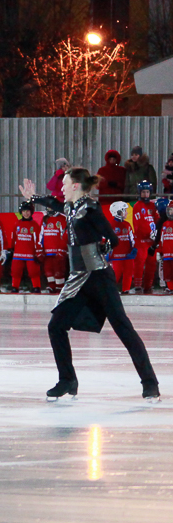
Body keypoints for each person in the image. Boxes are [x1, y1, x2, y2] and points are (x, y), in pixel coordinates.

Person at [20, 171, 160, 402]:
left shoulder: (91, 209)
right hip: (77, 278)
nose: (61, 188)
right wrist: (33, 197)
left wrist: (103, 248)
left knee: (123, 328)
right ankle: (68, 380)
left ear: (75, 185)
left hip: (98, 277)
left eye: (64, 184)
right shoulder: (71, 207)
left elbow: (112, 238)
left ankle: (150, 383)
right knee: (56, 326)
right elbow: (53, 203)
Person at [131, 181, 160, 293]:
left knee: (151, 263)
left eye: (147, 192)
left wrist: (155, 234)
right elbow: (137, 224)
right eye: (143, 192)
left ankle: (148, 286)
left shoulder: (153, 205)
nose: (146, 194)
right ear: (139, 193)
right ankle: (138, 285)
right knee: (140, 262)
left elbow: (157, 220)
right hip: (141, 240)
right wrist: (147, 233)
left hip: (152, 241)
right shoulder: (137, 206)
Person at [9, 201, 42, 293]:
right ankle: (15, 287)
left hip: (30, 253)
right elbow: (14, 237)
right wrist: (11, 249)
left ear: (31, 212)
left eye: (28, 211)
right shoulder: (17, 224)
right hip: (18, 253)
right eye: (24, 211)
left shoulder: (34, 225)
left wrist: (38, 252)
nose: (26, 213)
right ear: (21, 212)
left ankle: (37, 286)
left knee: (33, 271)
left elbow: (37, 240)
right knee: (15, 270)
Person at [106, 201, 137, 293]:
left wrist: (134, 249)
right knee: (115, 274)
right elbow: (107, 240)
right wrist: (107, 253)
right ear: (118, 212)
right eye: (125, 210)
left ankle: (126, 290)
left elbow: (132, 239)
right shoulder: (110, 225)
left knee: (128, 273)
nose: (127, 213)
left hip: (128, 256)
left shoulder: (127, 225)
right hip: (116, 257)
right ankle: (109, 291)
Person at [38, 201, 69, 294]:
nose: (50, 209)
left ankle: (60, 287)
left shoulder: (62, 219)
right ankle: (51, 286)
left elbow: (64, 235)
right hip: (47, 252)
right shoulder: (45, 219)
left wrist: (61, 249)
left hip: (58, 252)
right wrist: (40, 250)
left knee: (59, 270)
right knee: (48, 270)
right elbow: (41, 235)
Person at [158, 198, 173, 292]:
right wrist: (161, 250)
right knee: (168, 272)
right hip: (167, 254)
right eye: (170, 210)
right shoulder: (165, 224)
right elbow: (162, 239)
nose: (171, 213)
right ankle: (170, 287)